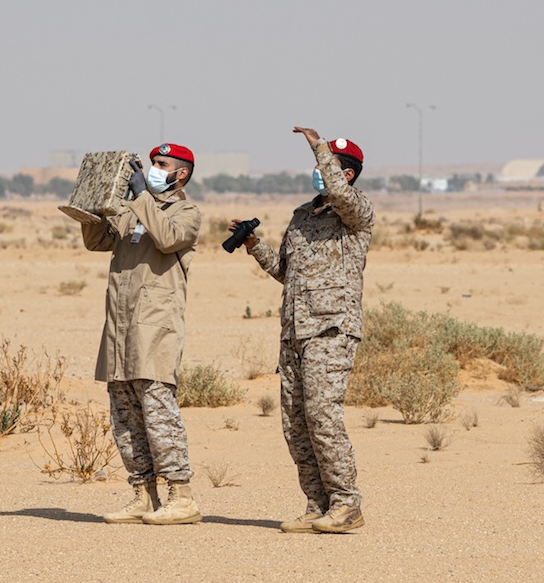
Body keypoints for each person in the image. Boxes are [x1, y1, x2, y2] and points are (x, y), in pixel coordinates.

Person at [234, 126, 374, 534]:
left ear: (345, 173)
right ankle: (317, 504)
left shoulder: (356, 213)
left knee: (323, 415)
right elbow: (286, 272)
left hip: (332, 328)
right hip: (295, 330)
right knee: (295, 421)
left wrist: (319, 147)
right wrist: (254, 245)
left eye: (326, 166)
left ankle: (347, 504)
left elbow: (343, 196)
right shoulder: (301, 218)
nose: (317, 171)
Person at [81, 143, 202, 525]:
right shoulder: (135, 207)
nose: (152, 168)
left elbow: (167, 239)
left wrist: (142, 196)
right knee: (124, 412)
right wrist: (95, 202)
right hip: (119, 326)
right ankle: (143, 493)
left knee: (157, 409)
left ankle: (181, 496)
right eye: (151, 163)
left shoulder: (186, 212)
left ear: (180, 173)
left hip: (155, 327)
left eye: (161, 164)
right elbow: (96, 241)